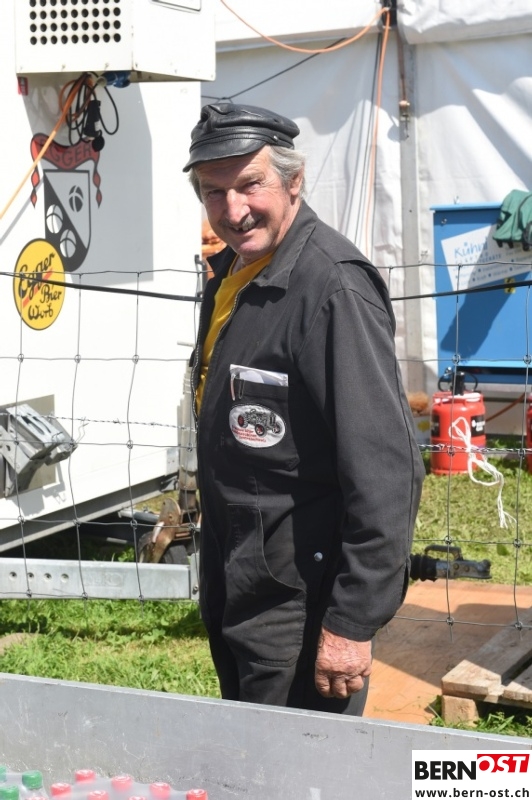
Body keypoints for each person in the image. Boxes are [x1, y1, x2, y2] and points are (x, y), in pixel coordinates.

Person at [184, 102, 425, 715]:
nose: (233, 209)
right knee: (253, 751)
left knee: (300, 761)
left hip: (301, 604)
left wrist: (352, 621)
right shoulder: (236, 273)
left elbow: (386, 470)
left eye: (250, 184)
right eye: (213, 192)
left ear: (294, 181)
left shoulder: (331, 288)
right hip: (244, 584)